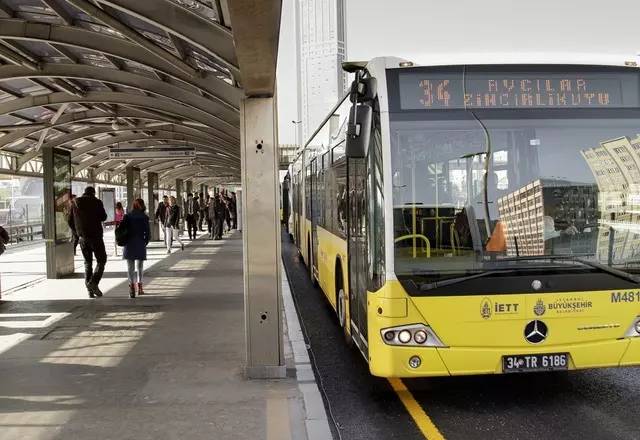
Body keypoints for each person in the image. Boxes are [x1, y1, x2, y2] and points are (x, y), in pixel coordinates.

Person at [68, 186, 107, 298]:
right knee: (102, 260)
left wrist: (78, 233)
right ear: (93, 193)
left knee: (87, 262)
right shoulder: (97, 202)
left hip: (83, 238)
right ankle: (93, 283)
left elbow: (70, 221)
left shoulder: (75, 203)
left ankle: (89, 291)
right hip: (96, 237)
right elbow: (103, 217)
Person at [122, 198, 150, 298]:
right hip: (140, 242)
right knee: (140, 266)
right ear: (142, 206)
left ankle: (131, 288)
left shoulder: (127, 216)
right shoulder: (144, 217)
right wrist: (144, 242)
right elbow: (148, 233)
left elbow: (122, 230)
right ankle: (140, 287)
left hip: (129, 243)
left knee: (130, 267)